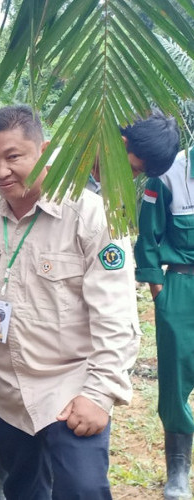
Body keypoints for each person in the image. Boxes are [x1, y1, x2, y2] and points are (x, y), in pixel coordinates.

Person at [0, 104, 141, 499]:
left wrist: (99, 394)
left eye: (13, 157)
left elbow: (116, 317)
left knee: (83, 491)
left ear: (45, 150)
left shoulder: (92, 217)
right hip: (7, 395)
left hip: (70, 391)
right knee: (21, 490)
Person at [134, 143, 194, 499]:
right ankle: (178, 471)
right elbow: (149, 234)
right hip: (182, 286)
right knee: (175, 378)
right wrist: (160, 290)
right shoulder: (169, 172)